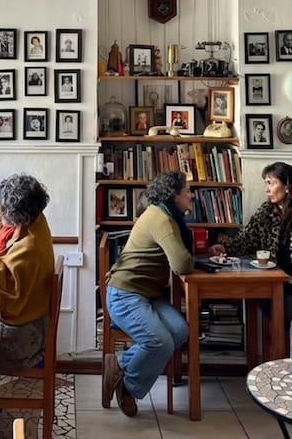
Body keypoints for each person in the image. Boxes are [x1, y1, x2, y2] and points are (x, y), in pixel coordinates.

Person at [210, 163, 292, 358]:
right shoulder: (266, 213)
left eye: (270, 183)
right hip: (282, 292)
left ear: (287, 186)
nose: (266, 189)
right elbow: (246, 240)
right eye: (265, 183)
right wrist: (225, 248)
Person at [0, 173, 54, 439]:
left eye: (3, 210)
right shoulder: (30, 220)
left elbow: (5, 301)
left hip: (16, 336)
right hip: (22, 320)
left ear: (19, 216)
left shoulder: (30, 247)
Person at [102, 170, 194, 417]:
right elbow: (182, 264)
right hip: (124, 294)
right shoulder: (161, 219)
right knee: (160, 342)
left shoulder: (164, 214)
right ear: (175, 195)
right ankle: (128, 387)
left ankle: (119, 362)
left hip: (147, 294)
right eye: (187, 190)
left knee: (179, 331)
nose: (191, 195)